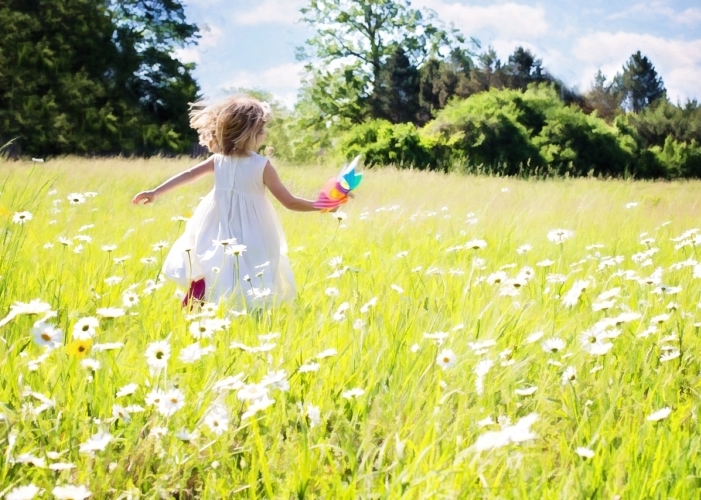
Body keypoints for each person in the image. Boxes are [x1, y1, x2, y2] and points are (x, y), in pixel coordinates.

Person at [132, 94, 324, 308]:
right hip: (251, 227)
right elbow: (290, 202)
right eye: (260, 130)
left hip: (215, 221)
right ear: (247, 134)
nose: (264, 134)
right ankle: (242, 310)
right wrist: (321, 205)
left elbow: (188, 174)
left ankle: (200, 304)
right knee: (249, 268)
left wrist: (156, 192)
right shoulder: (261, 165)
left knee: (212, 261)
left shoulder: (218, 160)